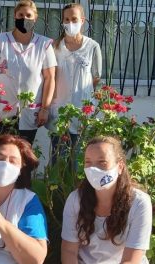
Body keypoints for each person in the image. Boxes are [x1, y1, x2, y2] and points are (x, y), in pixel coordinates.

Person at [61, 136, 152, 263]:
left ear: (120, 166)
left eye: (102, 162)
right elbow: (69, 251)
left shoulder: (139, 203)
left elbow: (131, 260)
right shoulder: (75, 199)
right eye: (88, 162)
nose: (93, 169)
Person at [0, 0, 57, 145]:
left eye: (29, 15)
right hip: (2, 110)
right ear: (15, 16)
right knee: (2, 152)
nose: (24, 18)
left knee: (25, 156)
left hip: (30, 113)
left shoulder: (44, 45)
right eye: (21, 15)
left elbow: (50, 78)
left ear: (35, 18)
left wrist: (45, 109)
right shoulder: (0, 41)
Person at [0, 134, 47, 263]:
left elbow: (36, 259)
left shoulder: (27, 200)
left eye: (13, 161)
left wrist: (1, 223)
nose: (5, 164)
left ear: (21, 170)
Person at [47, 3, 102, 163]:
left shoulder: (92, 46)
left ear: (82, 20)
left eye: (74, 19)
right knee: (58, 158)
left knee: (79, 160)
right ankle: (56, 189)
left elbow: (96, 77)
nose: (70, 23)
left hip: (82, 112)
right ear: (63, 21)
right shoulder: (55, 47)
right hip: (59, 111)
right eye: (67, 19)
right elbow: (49, 76)